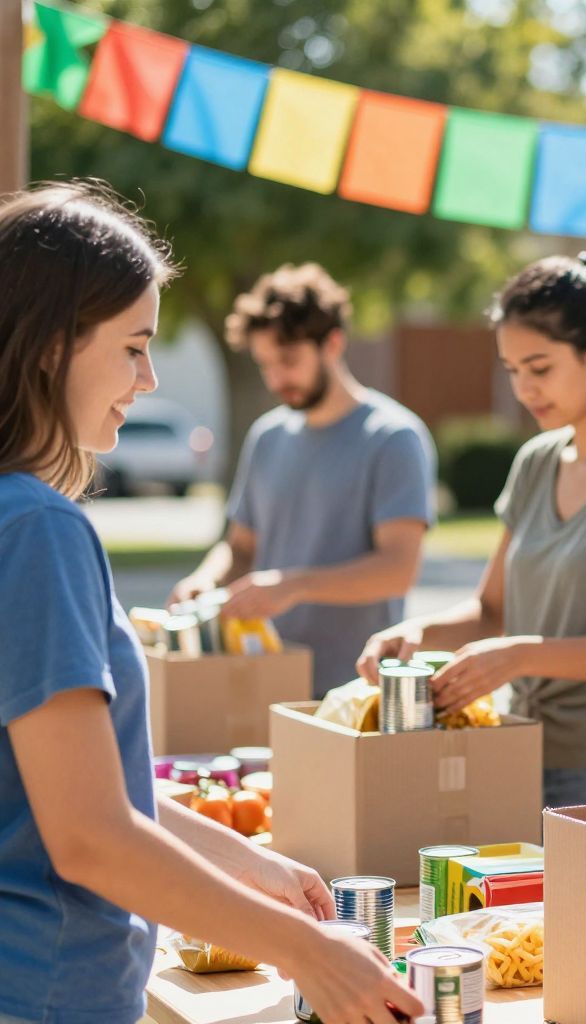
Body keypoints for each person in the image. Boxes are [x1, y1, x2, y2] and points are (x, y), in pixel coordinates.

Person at [0, 182, 421, 1023]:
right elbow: (86, 837)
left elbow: (82, 788)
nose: (149, 378)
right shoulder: (38, 528)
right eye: (133, 346)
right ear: (52, 344)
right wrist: (307, 952)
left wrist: (245, 863)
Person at [358, 244, 586, 807]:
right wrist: (414, 635)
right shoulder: (536, 460)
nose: (524, 390)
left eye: (540, 368)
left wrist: (521, 654)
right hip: (514, 757)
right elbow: (492, 611)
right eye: (513, 371)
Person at [170, 262, 437, 695]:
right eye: (265, 364)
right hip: (263, 679)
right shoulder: (267, 437)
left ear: (332, 343)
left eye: (289, 360)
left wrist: (292, 586)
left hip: (355, 691)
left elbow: (398, 570)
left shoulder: (393, 438)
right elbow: (240, 548)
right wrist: (204, 579)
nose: (277, 378)